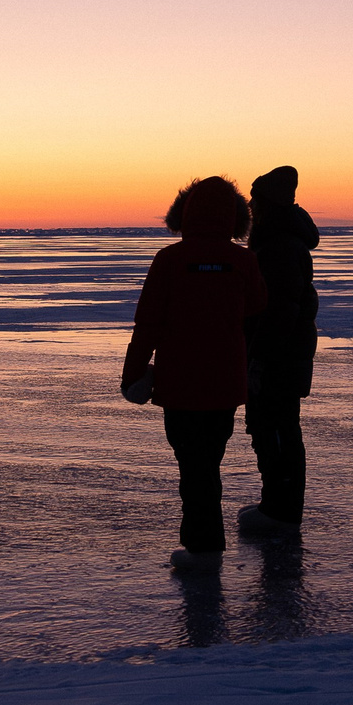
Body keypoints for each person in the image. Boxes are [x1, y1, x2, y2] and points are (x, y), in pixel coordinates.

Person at [123, 176, 266, 568]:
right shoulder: (244, 261)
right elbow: (256, 307)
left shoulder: (169, 259)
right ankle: (205, 542)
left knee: (193, 464)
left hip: (181, 383)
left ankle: (203, 548)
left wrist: (132, 374)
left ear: (185, 213)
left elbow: (147, 324)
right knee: (209, 461)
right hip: (224, 383)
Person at [240, 165, 320, 535]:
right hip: (281, 353)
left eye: (256, 198)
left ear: (268, 203)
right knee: (273, 426)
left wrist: (260, 359)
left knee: (274, 427)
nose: (251, 205)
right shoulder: (277, 242)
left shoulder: (279, 247)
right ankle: (276, 503)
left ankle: (281, 511)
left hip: (279, 357)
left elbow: (279, 310)